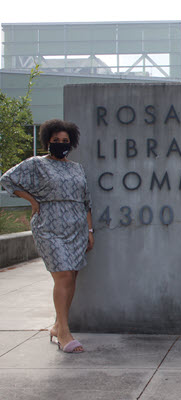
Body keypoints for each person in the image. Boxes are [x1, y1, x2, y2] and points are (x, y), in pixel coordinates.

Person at [0, 119, 93, 353]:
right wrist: (32, 200)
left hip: (76, 226)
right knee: (62, 275)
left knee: (71, 277)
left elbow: (86, 201)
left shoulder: (76, 167)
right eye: (56, 141)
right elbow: (7, 180)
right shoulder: (36, 164)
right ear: (47, 141)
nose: (61, 144)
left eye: (65, 141)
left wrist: (89, 231)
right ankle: (63, 333)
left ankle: (57, 325)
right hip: (49, 225)